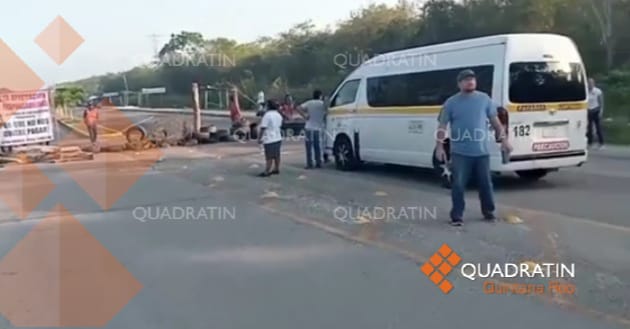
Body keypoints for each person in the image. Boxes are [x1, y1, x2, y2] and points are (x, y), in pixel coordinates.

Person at [436, 69, 512, 227]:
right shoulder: (451, 103)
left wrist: (504, 141)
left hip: (481, 151)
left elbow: (495, 122)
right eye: (465, 79)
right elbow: (442, 126)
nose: (470, 81)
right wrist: (440, 147)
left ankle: (489, 212)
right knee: (458, 184)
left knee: (486, 184)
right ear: (459, 84)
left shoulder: (484, 99)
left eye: (472, 79)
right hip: (460, 153)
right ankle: (457, 216)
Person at [296, 90, 327, 169]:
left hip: (309, 127)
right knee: (318, 146)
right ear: (320, 96)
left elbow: (298, 108)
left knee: (309, 147)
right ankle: (318, 162)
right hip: (319, 128)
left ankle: (309, 163)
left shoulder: (309, 103)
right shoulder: (322, 104)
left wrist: (305, 116)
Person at [257, 100, 283, 177]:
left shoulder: (267, 115)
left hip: (269, 138)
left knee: (269, 156)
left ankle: (267, 171)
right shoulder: (278, 115)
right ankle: (276, 168)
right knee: (277, 155)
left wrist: (259, 138)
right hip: (277, 137)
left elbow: (263, 127)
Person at [587, 78, 605, 149]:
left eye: (591, 83)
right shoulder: (586, 91)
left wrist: (601, 111)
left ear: (593, 83)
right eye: (588, 83)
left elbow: (601, 102)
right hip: (588, 110)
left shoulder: (598, 91)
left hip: (595, 110)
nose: (590, 84)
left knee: (598, 127)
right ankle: (590, 142)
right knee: (589, 128)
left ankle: (601, 143)